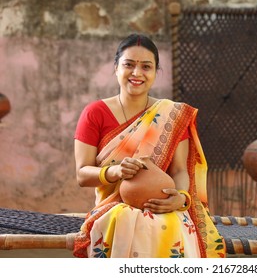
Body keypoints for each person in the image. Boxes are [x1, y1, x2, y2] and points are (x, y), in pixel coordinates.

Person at [72, 33, 226, 258]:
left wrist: (181, 198)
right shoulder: (95, 113)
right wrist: (115, 171)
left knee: (174, 223)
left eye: (146, 66)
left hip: (163, 205)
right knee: (124, 219)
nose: (137, 73)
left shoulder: (171, 115)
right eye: (129, 65)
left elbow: (180, 170)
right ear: (116, 67)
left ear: (155, 73)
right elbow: (82, 174)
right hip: (112, 209)